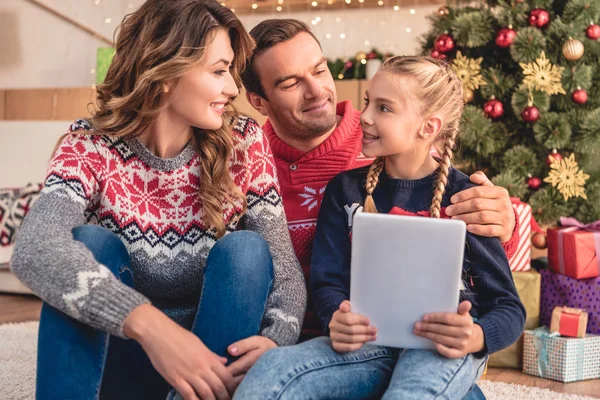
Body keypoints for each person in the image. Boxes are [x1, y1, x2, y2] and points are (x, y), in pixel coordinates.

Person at [10, 2, 305, 400]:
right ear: (166, 74)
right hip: (122, 353)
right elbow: (33, 247)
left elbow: (283, 269)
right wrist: (152, 327)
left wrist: (276, 342)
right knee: (90, 243)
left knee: (246, 250)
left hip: (210, 367)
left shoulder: (245, 141)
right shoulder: (90, 145)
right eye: (219, 71)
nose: (233, 89)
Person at [234, 55, 526, 399]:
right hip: (368, 343)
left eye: (384, 109)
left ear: (428, 127)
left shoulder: (465, 198)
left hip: (441, 346)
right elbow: (328, 283)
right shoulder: (345, 190)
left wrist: (475, 336)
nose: (366, 117)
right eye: (368, 103)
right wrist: (337, 318)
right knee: (272, 370)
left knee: (411, 391)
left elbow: (509, 307)